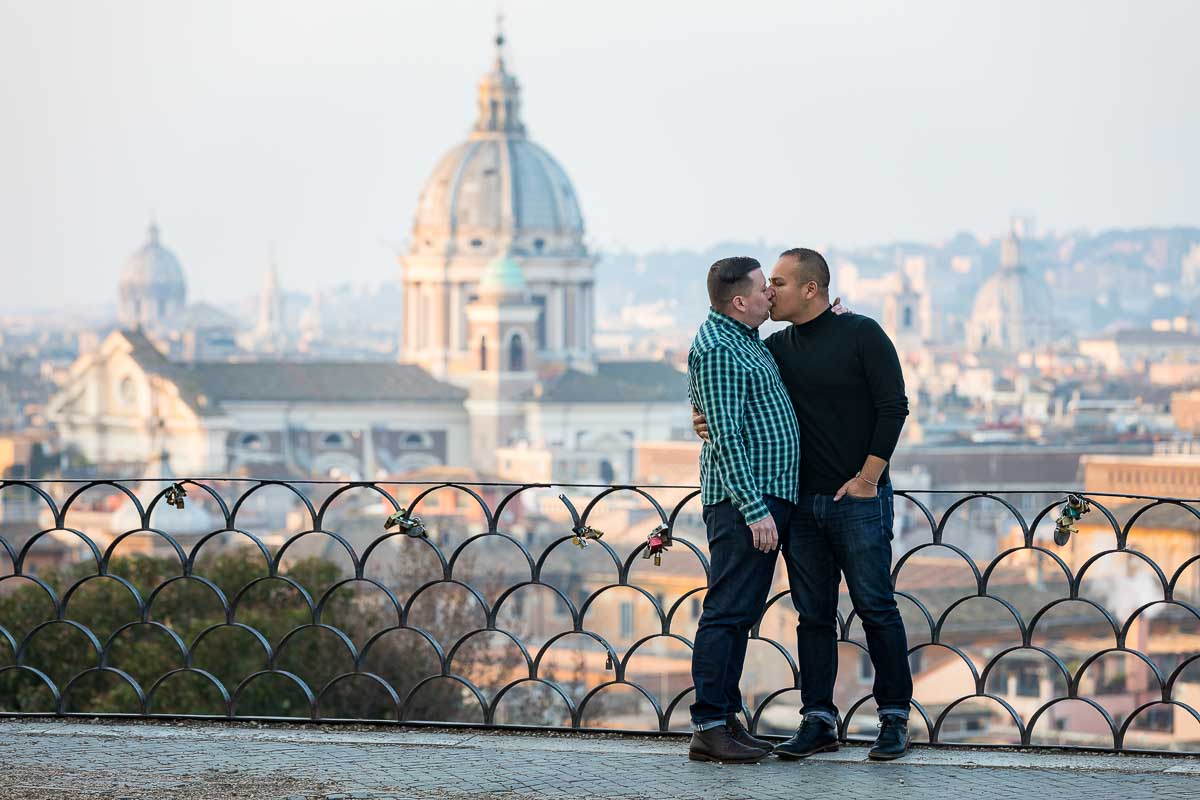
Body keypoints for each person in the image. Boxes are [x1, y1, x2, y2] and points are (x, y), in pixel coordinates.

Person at [693, 247, 913, 761]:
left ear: (811, 289)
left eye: (780, 283)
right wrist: (700, 420)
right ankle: (819, 720)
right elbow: (730, 401)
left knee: (876, 607)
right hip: (800, 505)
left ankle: (893, 717)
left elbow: (893, 406)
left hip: (857, 499)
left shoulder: (862, 334)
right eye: (766, 284)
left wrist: (867, 479)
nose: (770, 292)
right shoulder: (773, 347)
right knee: (812, 615)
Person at [685, 256, 801, 764]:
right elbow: (727, 438)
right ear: (739, 301)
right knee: (727, 611)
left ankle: (725, 720)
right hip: (743, 502)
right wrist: (755, 510)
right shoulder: (718, 350)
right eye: (762, 288)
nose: (770, 294)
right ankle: (710, 725)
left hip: (763, 496)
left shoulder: (745, 342)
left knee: (739, 612)